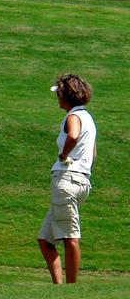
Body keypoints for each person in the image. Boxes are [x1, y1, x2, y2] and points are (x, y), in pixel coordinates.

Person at [38, 74, 97, 284]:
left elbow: (72, 136)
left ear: (66, 96)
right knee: (45, 240)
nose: (58, 99)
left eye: (60, 94)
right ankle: (59, 286)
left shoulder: (73, 117)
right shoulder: (88, 118)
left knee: (69, 235)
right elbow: (93, 153)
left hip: (67, 179)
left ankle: (71, 287)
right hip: (81, 180)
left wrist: (64, 155)